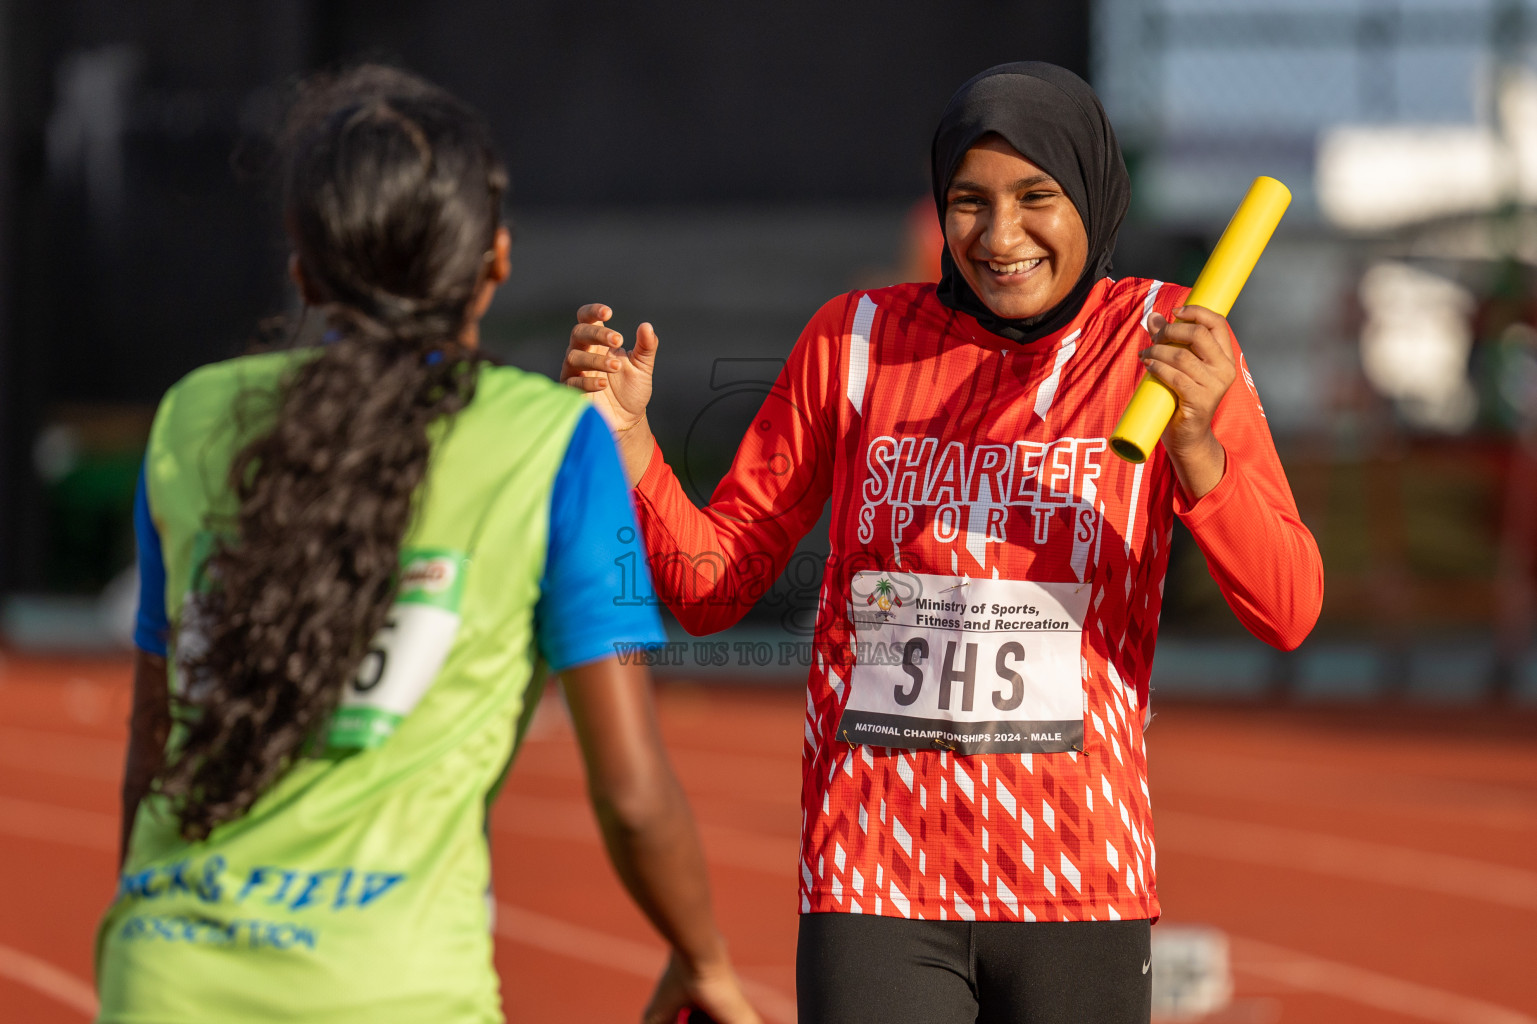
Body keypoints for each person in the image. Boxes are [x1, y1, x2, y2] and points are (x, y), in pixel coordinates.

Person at [561, 62, 1323, 1023]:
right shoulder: (855, 341)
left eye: (1035, 198)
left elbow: (1289, 609)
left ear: (1091, 190)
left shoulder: (1167, 344)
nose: (999, 238)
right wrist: (629, 440)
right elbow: (712, 586)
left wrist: (1198, 449)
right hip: (874, 873)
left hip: (1076, 873)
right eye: (969, 202)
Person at [98, 65, 759, 1024]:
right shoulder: (550, 442)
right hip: (393, 985)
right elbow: (631, 790)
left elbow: (150, 744)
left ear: (301, 269)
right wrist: (702, 955)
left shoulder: (191, 419)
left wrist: (146, 927)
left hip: (163, 973)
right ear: (493, 259)